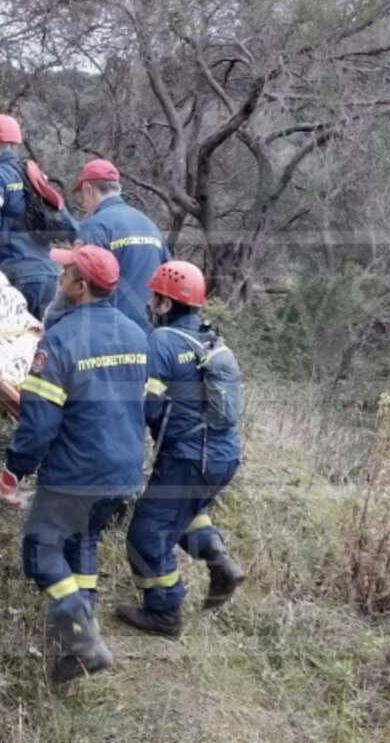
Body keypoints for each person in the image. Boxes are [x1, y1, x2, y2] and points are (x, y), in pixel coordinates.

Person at [0, 244, 147, 683]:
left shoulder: (59, 341)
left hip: (77, 471)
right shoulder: (137, 334)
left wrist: (13, 470)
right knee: (81, 544)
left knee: (40, 553)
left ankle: (83, 640)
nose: (58, 281)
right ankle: (77, 640)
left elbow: (39, 424)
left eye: (64, 276)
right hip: (122, 471)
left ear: (80, 287)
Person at [119, 261, 245, 638]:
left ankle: (164, 612)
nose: (150, 302)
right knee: (185, 511)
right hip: (223, 456)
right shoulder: (210, 337)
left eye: (154, 296)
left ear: (164, 302)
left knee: (146, 534)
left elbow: (148, 405)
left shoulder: (162, 342)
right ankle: (219, 561)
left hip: (189, 458)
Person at [0, 113, 78, 319]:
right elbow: (61, 213)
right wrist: (80, 241)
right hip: (49, 274)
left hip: (18, 275)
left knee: (15, 342)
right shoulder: (32, 175)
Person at [70, 159, 168, 333]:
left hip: (109, 335)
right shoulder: (149, 225)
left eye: (82, 195)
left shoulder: (95, 226)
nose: (84, 203)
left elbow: (78, 285)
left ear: (88, 190)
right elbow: (167, 274)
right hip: (149, 332)